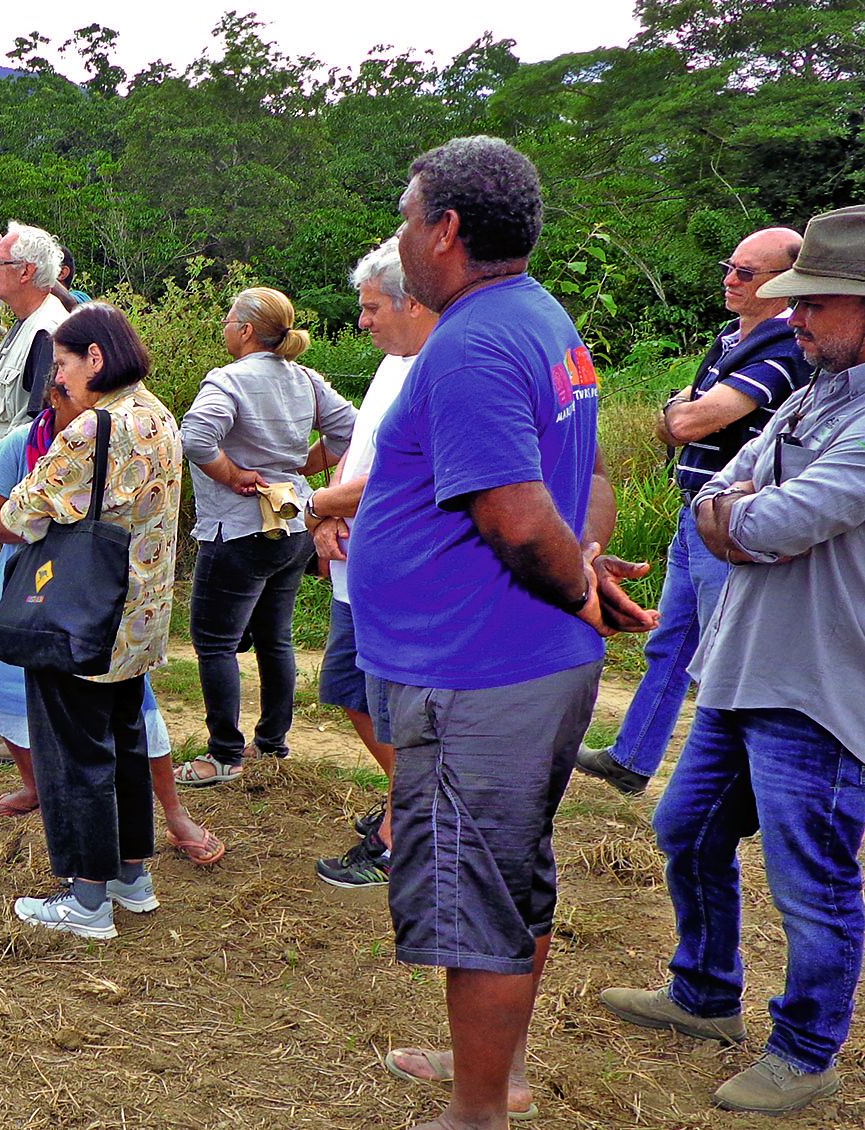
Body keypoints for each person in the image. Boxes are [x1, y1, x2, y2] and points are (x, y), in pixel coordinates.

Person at [345, 137, 658, 1130]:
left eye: (406, 216)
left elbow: (518, 521)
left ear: (443, 230)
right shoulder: (539, 317)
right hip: (518, 659)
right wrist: (585, 566)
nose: (400, 235)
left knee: (472, 893)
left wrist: (574, 585)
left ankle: (475, 1112)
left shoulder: (471, 343)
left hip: (474, 669)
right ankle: (494, 1067)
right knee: (508, 868)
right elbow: (586, 475)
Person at [600, 203, 865, 1116]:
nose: (795, 316)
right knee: (686, 829)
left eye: (815, 302)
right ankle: (704, 995)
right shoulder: (815, 390)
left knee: (810, 881)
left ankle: (805, 1051)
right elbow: (725, 484)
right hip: (746, 669)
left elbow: (775, 519)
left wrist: (737, 512)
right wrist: (737, 511)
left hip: (819, 690)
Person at [575, 226, 811, 795]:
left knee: (724, 656)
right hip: (694, 515)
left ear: (784, 283)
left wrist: (683, 411)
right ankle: (632, 759)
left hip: (727, 523)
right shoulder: (733, 339)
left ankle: (723, 791)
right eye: (730, 267)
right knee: (673, 642)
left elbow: (685, 422)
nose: (730, 280)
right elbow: (678, 421)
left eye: (745, 273)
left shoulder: (781, 349)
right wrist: (683, 413)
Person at [0, 382, 223, 865]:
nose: (92, 408)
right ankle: (36, 788)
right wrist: (52, 528)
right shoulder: (23, 444)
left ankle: (172, 816)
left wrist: (70, 527)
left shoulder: (118, 437)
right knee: (4, 687)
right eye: (74, 396)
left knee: (130, 708)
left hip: (95, 596)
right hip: (34, 591)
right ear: (53, 398)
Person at [0, 303, 184, 940]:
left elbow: (21, 513)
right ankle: (132, 877)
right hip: (138, 618)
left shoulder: (91, 428)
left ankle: (86, 900)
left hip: (79, 617)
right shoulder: (158, 415)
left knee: (74, 754)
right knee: (124, 743)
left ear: (94, 358)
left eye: (63, 364)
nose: (59, 378)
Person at [176, 286, 355, 786]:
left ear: (246, 330)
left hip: (237, 529)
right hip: (294, 525)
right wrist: (298, 469)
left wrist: (233, 475)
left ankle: (223, 755)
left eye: (228, 320)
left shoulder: (229, 379)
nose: (225, 328)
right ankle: (272, 743)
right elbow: (350, 432)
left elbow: (195, 438)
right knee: (275, 639)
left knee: (215, 643)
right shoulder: (305, 380)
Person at [309, 238, 437, 888]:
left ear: (411, 302)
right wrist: (330, 514)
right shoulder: (394, 360)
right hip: (355, 565)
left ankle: (403, 826)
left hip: (398, 574)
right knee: (349, 690)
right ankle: (407, 801)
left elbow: (407, 474)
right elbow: (359, 449)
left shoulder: (435, 367)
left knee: (390, 708)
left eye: (370, 308)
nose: (361, 321)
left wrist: (317, 503)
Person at [0, 222, 70, 492]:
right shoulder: (28, 322)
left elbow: (41, 429)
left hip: (17, 494)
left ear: (26, 271)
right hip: (3, 489)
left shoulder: (46, 332)